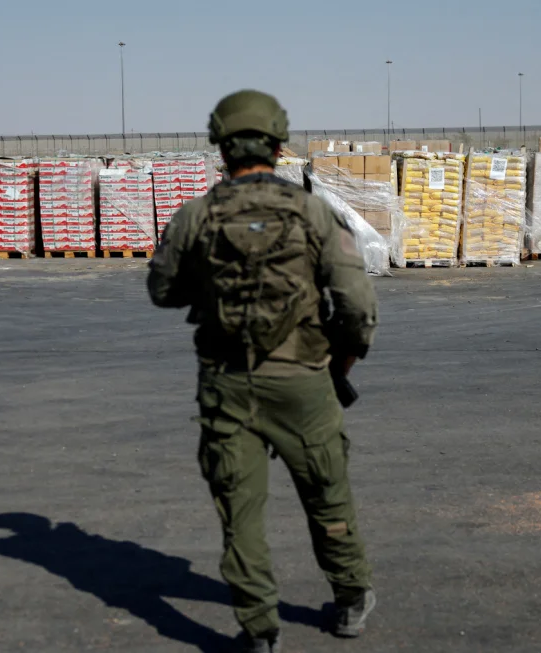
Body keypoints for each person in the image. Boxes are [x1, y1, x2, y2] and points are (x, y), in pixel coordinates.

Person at [147, 89, 378, 653]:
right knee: (327, 494)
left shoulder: (197, 215)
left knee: (240, 511)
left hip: (227, 383)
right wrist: (342, 359)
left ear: (221, 146)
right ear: (278, 144)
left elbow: (161, 289)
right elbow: (357, 305)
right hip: (303, 382)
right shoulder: (313, 212)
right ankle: (350, 601)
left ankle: (259, 630)